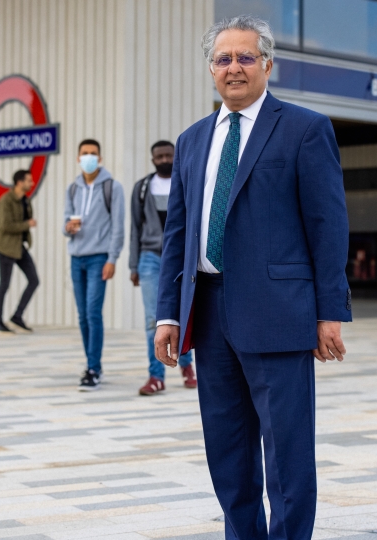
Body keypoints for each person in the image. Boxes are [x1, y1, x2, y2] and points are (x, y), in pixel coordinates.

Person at [154, 16, 352, 539]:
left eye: (245, 57)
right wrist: (168, 313)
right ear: (211, 70)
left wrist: (329, 312)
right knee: (227, 451)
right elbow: (177, 234)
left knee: (287, 455)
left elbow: (327, 226)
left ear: (267, 63)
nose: (234, 68)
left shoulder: (305, 129)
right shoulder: (192, 140)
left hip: (278, 314)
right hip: (209, 312)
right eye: (223, 59)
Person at [130, 140, 196, 395]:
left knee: (183, 313)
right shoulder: (143, 188)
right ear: (153, 159)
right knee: (152, 319)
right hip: (150, 258)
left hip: (182, 258)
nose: (165, 159)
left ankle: (187, 366)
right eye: (159, 156)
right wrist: (133, 264)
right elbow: (135, 228)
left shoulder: (186, 182)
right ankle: (156, 376)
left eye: (169, 155)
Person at [63, 139, 125, 391]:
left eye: (93, 154)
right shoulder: (72, 189)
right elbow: (65, 224)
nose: (89, 157)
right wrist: (68, 228)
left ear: (100, 158)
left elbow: (118, 227)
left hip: (99, 257)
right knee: (82, 316)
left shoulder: (112, 187)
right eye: (84, 154)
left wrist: (112, 259)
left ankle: (93, 368)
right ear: (78, 158)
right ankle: (91, 363)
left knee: (92, 312)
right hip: (76, 257)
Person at [0, 169, 40, 334]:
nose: (31, 183)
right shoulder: (6, 200)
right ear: (20, 182)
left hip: (20, 246)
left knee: (34, 280)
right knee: (4, 284)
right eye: (29, 180)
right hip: (6, 247)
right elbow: (5, 226)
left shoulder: (25, 200)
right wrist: (27, 224)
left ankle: (17, 316)